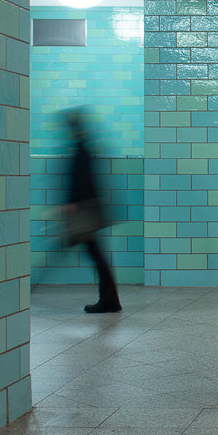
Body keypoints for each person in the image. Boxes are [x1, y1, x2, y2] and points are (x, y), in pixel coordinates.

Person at [62, 109, 121, 313]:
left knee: (96, 254)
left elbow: (81, 181)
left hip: (84, 213)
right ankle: (109, 299)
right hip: (88, 211)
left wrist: (71, 203)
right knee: (96, 254)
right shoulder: (83, 148)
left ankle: (109, 300)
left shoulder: (80, 151)